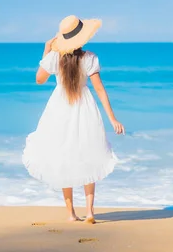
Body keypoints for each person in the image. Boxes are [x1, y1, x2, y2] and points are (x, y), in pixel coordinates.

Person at [22, 15, 125, 224]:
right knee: (88, 154)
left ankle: (70, 214)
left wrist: (46, 50)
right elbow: (99, 90)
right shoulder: (90, 58)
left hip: (60, 108)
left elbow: (39, 80)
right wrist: (113, 119)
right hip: (84, 107)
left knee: (63, 155)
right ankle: (89, 212)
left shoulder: (55, 57)